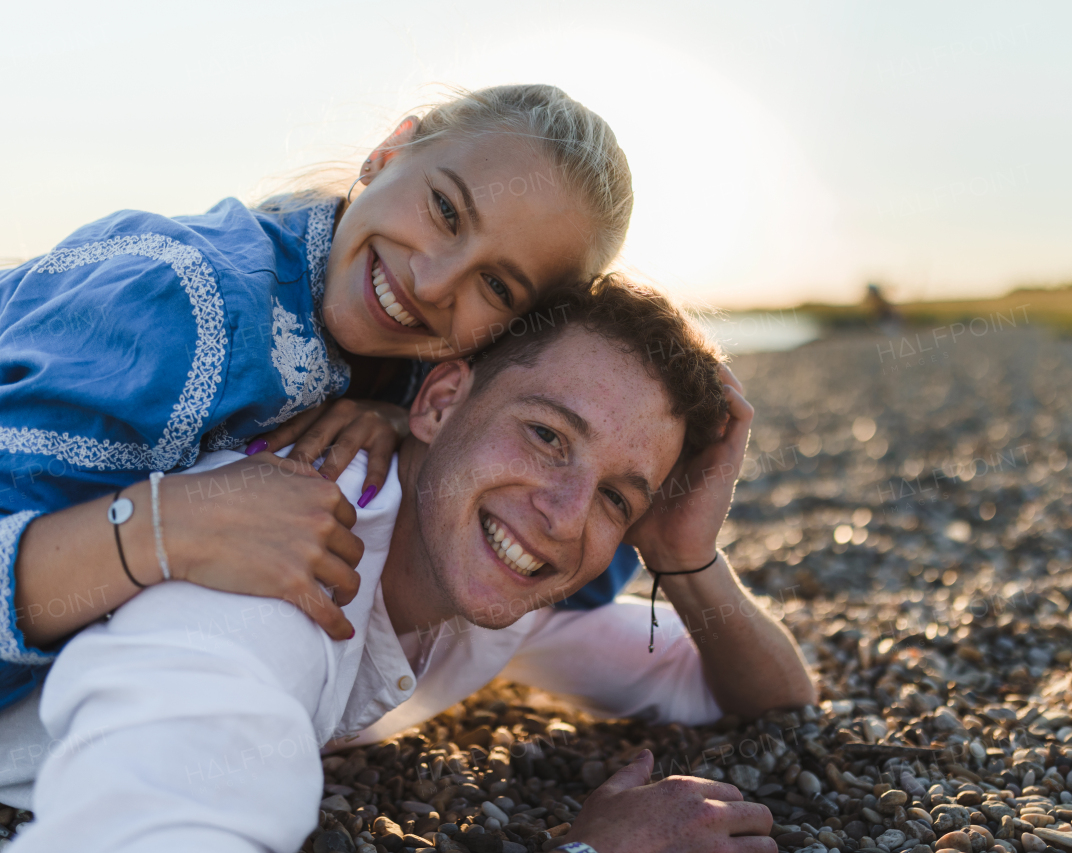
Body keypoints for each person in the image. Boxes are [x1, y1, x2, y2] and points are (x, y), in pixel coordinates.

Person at [0, 278, 815, 852]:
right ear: (437, 401)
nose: (565, 515)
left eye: (616, 498)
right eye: (546, 435)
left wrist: (684, 554)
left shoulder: (500, 574)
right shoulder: (281, 574)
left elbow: (757, 691)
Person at [0, 84, 637, 709]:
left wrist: (406, 421)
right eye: (446, 210)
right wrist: (167, 530)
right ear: (390, 152)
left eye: (497, 286)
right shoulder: (188, 305)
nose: (433, 281)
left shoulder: (418, 371)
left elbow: (577, 575)